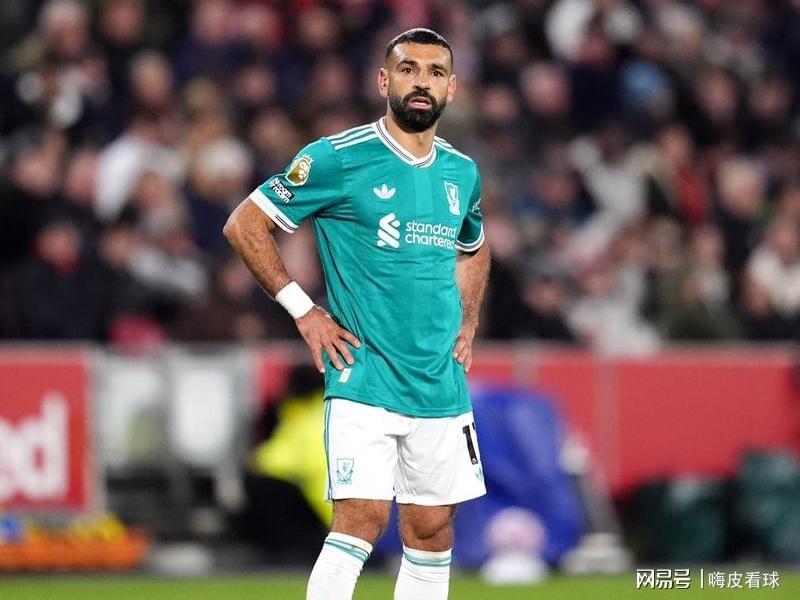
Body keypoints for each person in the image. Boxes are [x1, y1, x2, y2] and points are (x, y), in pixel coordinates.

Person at [224, 28, 491, 600]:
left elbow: (474, 247)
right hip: (363, 373)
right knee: (361, 519)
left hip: (440, 382)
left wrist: (468, 320)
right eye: (409, 69)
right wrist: (305, 311)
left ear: (451, 88)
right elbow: (245, 224)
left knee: (432, 529)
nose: (421, 82)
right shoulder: (338, 157)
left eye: (435, 73)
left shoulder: (461, 172)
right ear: (383, 80)